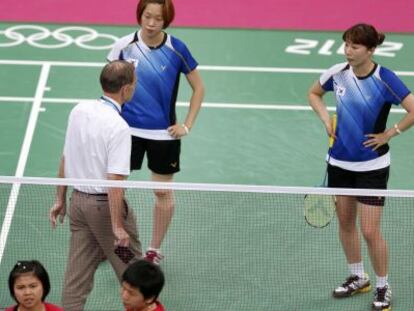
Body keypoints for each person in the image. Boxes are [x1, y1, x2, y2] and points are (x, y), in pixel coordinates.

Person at [308, 23, 414, 311]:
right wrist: (325, 119)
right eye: (346, 45)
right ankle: (358, 276)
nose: (348, 51)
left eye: (355, 47)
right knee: (345, 223)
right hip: (339, 163)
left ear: (371, 50)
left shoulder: (385, 78)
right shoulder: (337, 72)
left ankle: (382, 286)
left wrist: (390, 133)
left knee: (369, 230)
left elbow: (413, 108)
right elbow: (314, 93)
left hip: (372, 166)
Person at [107, 0, 205, 264]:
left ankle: (153, 250)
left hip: (164, 134)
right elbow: (109, 86)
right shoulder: (124, 46)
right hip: (126, 131)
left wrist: (187, 124)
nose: (150, 24)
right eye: (147, 16)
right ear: (140, 15)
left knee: (162, 193)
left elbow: (199, 88)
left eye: (158, 19)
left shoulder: (176, 48)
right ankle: (117, 240)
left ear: (166, 21)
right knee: (115, 187)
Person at [49, 60, 143, 311]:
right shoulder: (119, 127)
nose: (135, 87)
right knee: (133, 269)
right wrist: (117, 227)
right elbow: (115, 182)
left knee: (76, 277)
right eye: (134, 83)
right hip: (103, 213)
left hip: (78, 206)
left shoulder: (79, 110)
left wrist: (60, 199)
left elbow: (65, 156)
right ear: (125, 89)